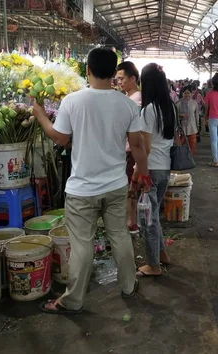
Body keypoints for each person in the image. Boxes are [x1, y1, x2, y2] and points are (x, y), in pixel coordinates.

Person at [34, 48, 149, 314]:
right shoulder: (127, 104)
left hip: (82, 189)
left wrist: (40, 115)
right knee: (119, 235)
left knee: (82, 245)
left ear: (87, 70)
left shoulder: (73, 101)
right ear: (114, 74)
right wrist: (142, 173)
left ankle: (72, 301)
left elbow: (60, 138)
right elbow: (137, 144)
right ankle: (129, 286)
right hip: (115, 185)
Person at [137, 63, 174, 277]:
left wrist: (137, 171)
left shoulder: (148, 110)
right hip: (165, 168)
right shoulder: (170, 107)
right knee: (154, 215)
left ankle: (153, 266)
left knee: (147, 219)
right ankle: (162, 255)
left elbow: (146, 147)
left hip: (151, 169)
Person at [116, 61, 142, 232]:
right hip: (126, 149)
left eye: (122, 78)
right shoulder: (128, 98)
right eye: (117, 79)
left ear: (133, 78)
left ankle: (132, 222)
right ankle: (132, 221)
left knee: (131, 189)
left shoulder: (136, 100)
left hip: (131, 151)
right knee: (129, 189)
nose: (119, 82)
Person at [176, 85, 200, 155]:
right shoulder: (178, 103)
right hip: (181, 127)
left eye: (188, 93)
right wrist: (181, 115)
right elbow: (174, 115)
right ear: (182, 94)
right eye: (185, 93)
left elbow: (197, 115)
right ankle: (181, 158)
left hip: (192, 127)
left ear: (191, 94)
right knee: (180, 144)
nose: (187, 95)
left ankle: (190, 158)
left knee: (192, 144)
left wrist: (198, 126)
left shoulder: (194, 103)